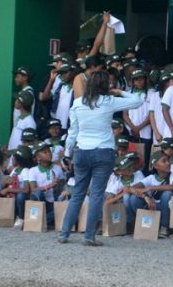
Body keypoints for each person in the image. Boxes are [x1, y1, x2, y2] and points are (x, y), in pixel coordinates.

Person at [60, 70, 144, 246]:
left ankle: (64, 233)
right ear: (106, 86)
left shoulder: (77, 103)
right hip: (103, 152)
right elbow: (138, 101)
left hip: (81, 152)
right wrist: (119, 91)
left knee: (78, 194)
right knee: (97, 195)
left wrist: (67, 154)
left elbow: (72, 132)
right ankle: (89, 236)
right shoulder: (109, 101)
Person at [133, 153, 173, 239]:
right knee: (133, 198)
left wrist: (150, 188)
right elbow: (133, 188)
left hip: (166, 209)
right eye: (164, 161)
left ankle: (164, 227)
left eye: (168, 160)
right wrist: (145, 196)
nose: (168, 163)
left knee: (167, 194)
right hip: (151, 207)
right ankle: (139, 225)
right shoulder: (151, 178)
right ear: (155, 166)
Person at [105, 153, 146, 228]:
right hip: (124, 211)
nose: (130, 168)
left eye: (130, 165)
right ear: (119, 172)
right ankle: (127, 223)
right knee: (125, 197)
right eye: (126, 167)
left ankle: (131, 221)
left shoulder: (138, 174)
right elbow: (107, 202)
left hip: (139, 203)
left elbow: (144, 191)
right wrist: (121, 195)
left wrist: (129, 191)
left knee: (129, 197)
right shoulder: (118, 183)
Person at [0, 145, 32, 230]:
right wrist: (6, 183)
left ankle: (21, 217)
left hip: (22, 197)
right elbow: (7, 182)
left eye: (13, 158)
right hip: (12, 195)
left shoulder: (26, 171)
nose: (11, 159)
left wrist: (8, 189)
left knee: (20, 196)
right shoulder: (15, 170)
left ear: (19, 160)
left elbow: (26, 190)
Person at [124, 68, 153, 162]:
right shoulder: (128, 94)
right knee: (132, 157)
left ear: (145, 79)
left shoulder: (151, 93)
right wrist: (133, 127)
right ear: (132, 81)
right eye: (136, 79)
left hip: (146, 131)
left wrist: (139, 127)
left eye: (141, 79)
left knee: (144, 158)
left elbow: (151, 114)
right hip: (131, 131)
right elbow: (125, 114)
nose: (139, 82)